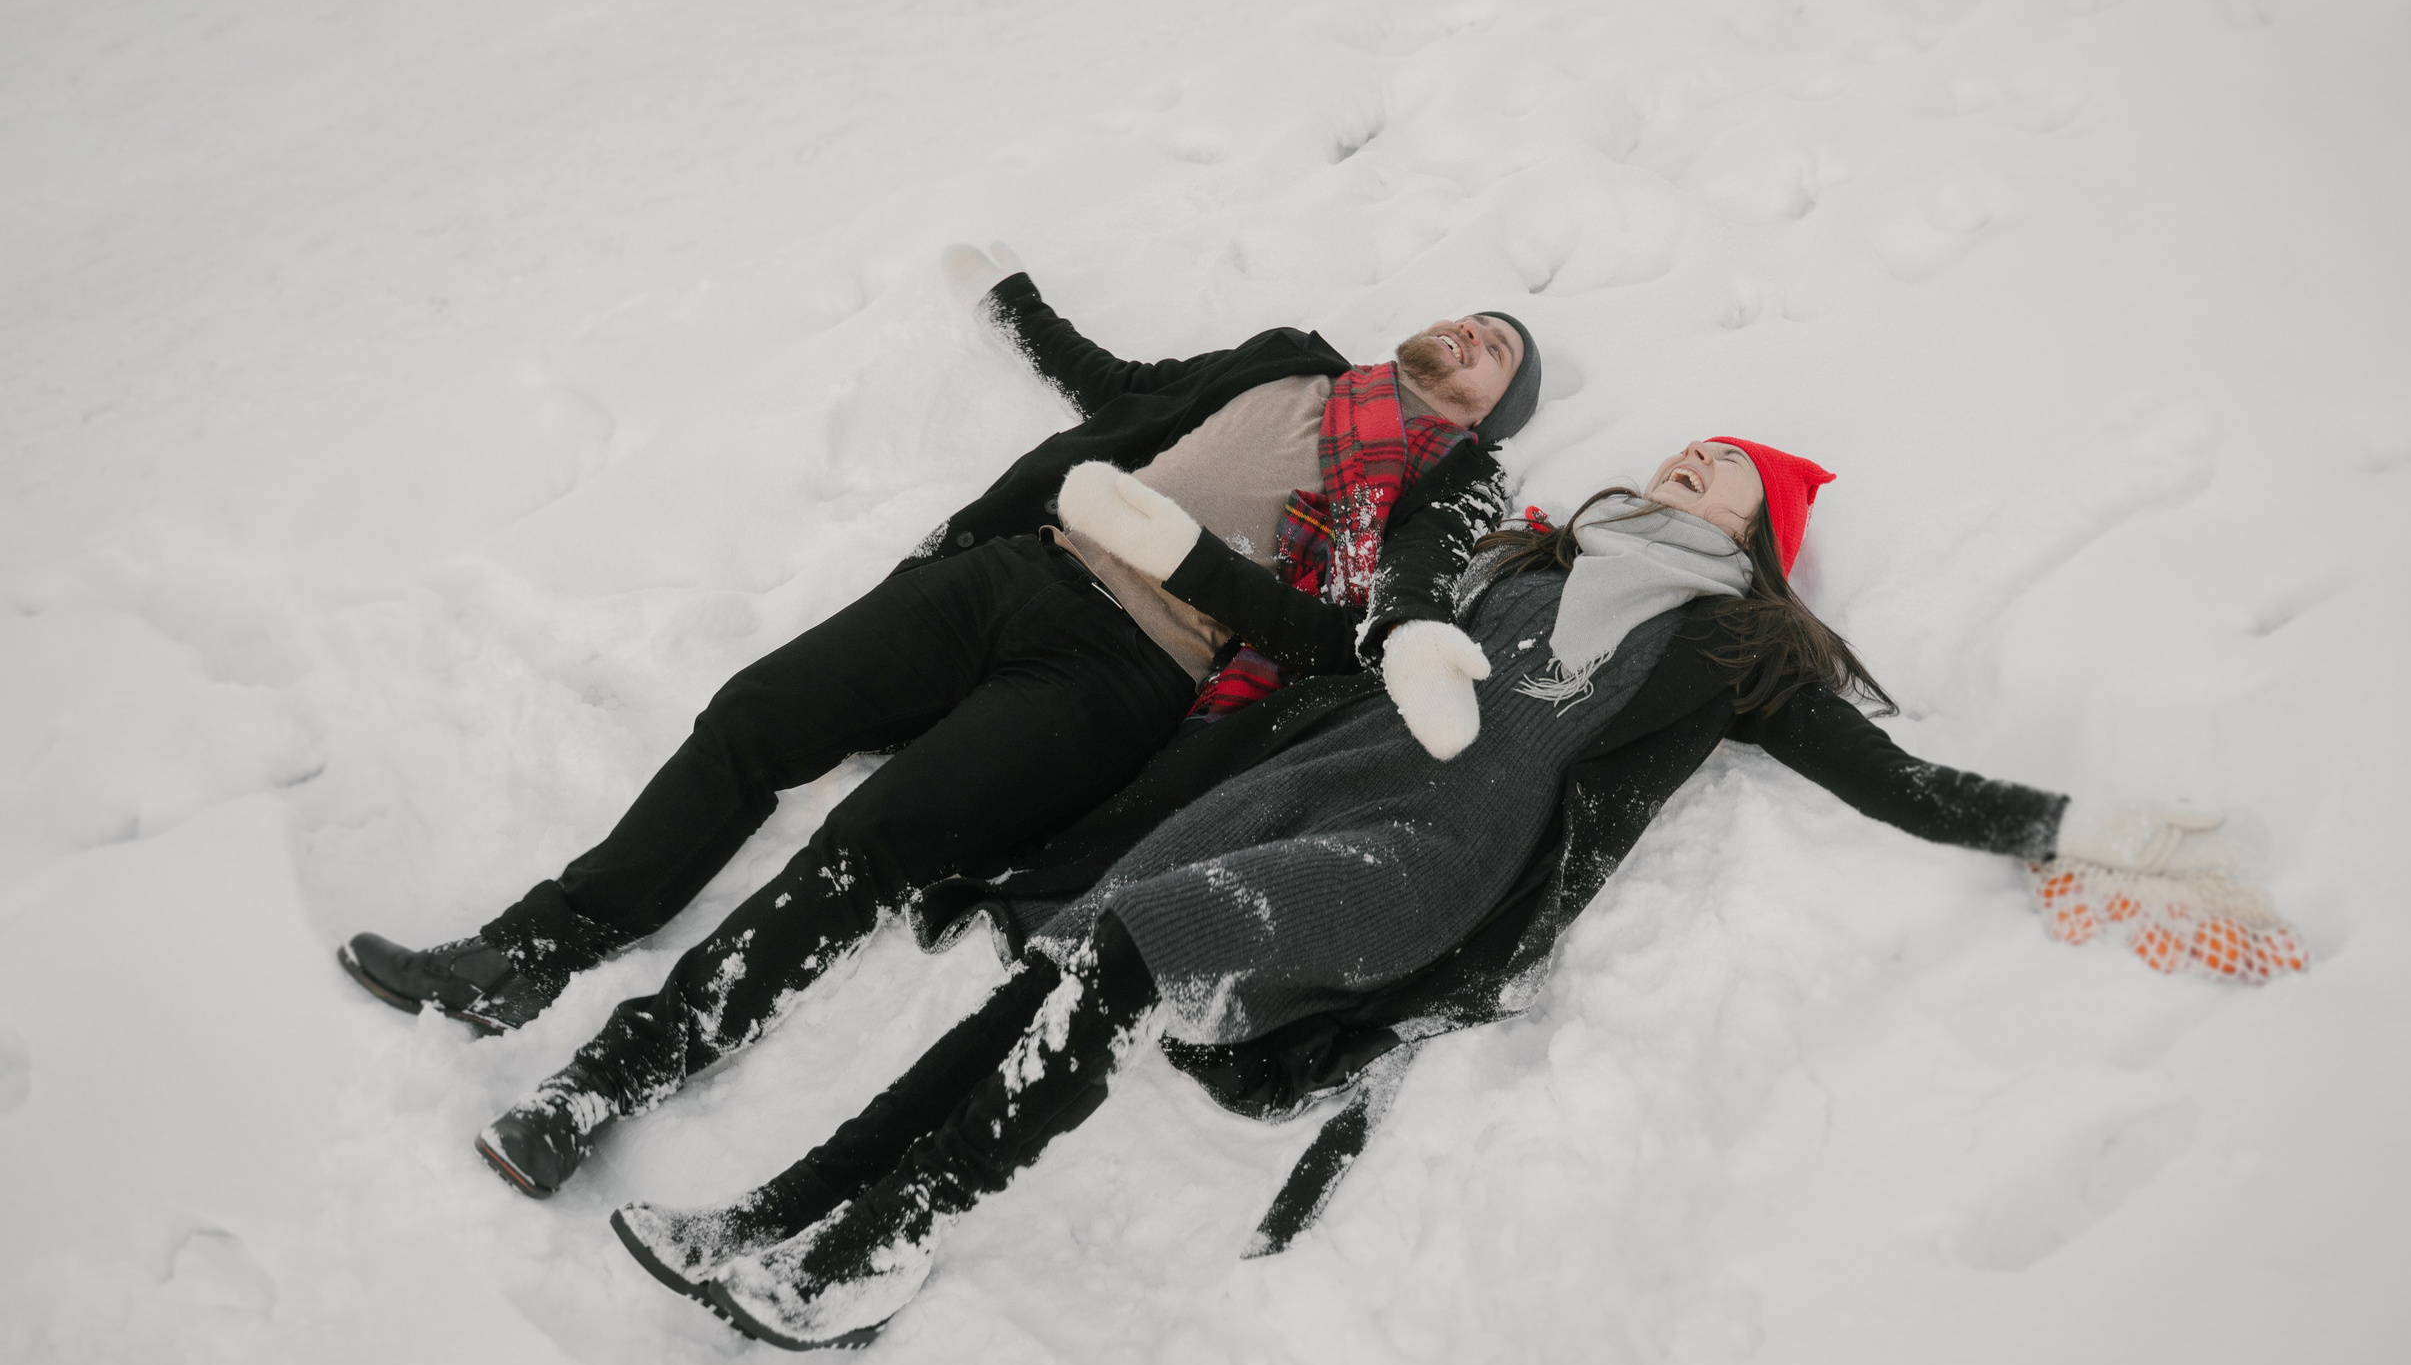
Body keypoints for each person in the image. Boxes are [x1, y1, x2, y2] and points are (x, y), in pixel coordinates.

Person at [601, 432, 2272, 1350]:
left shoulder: (1734, 647)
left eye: (1725, 473)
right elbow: (1385, 603)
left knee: (1126, 961)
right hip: (1307, 790)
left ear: (1762, 535)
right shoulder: (1525, 563)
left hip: (1435, 859)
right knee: (1060, 979)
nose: (1689, 465)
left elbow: (1900, 784)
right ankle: (776, 1212)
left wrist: (2091, 825)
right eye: (1685, 450)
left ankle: (865, 1252)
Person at [333, 244, 1543, 1197]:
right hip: (1012, 571)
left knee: (870, 845)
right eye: (1471, 318)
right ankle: (529, 951)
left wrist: (1183, 559)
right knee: (755, 717)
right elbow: (1122, 394)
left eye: (1496, 352)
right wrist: (1012, 301)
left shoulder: (1446, 485)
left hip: (1125, 676)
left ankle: (605, 1084)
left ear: (1492, 413)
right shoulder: (1293, 363)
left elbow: (1352, 635)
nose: (1470, 335)